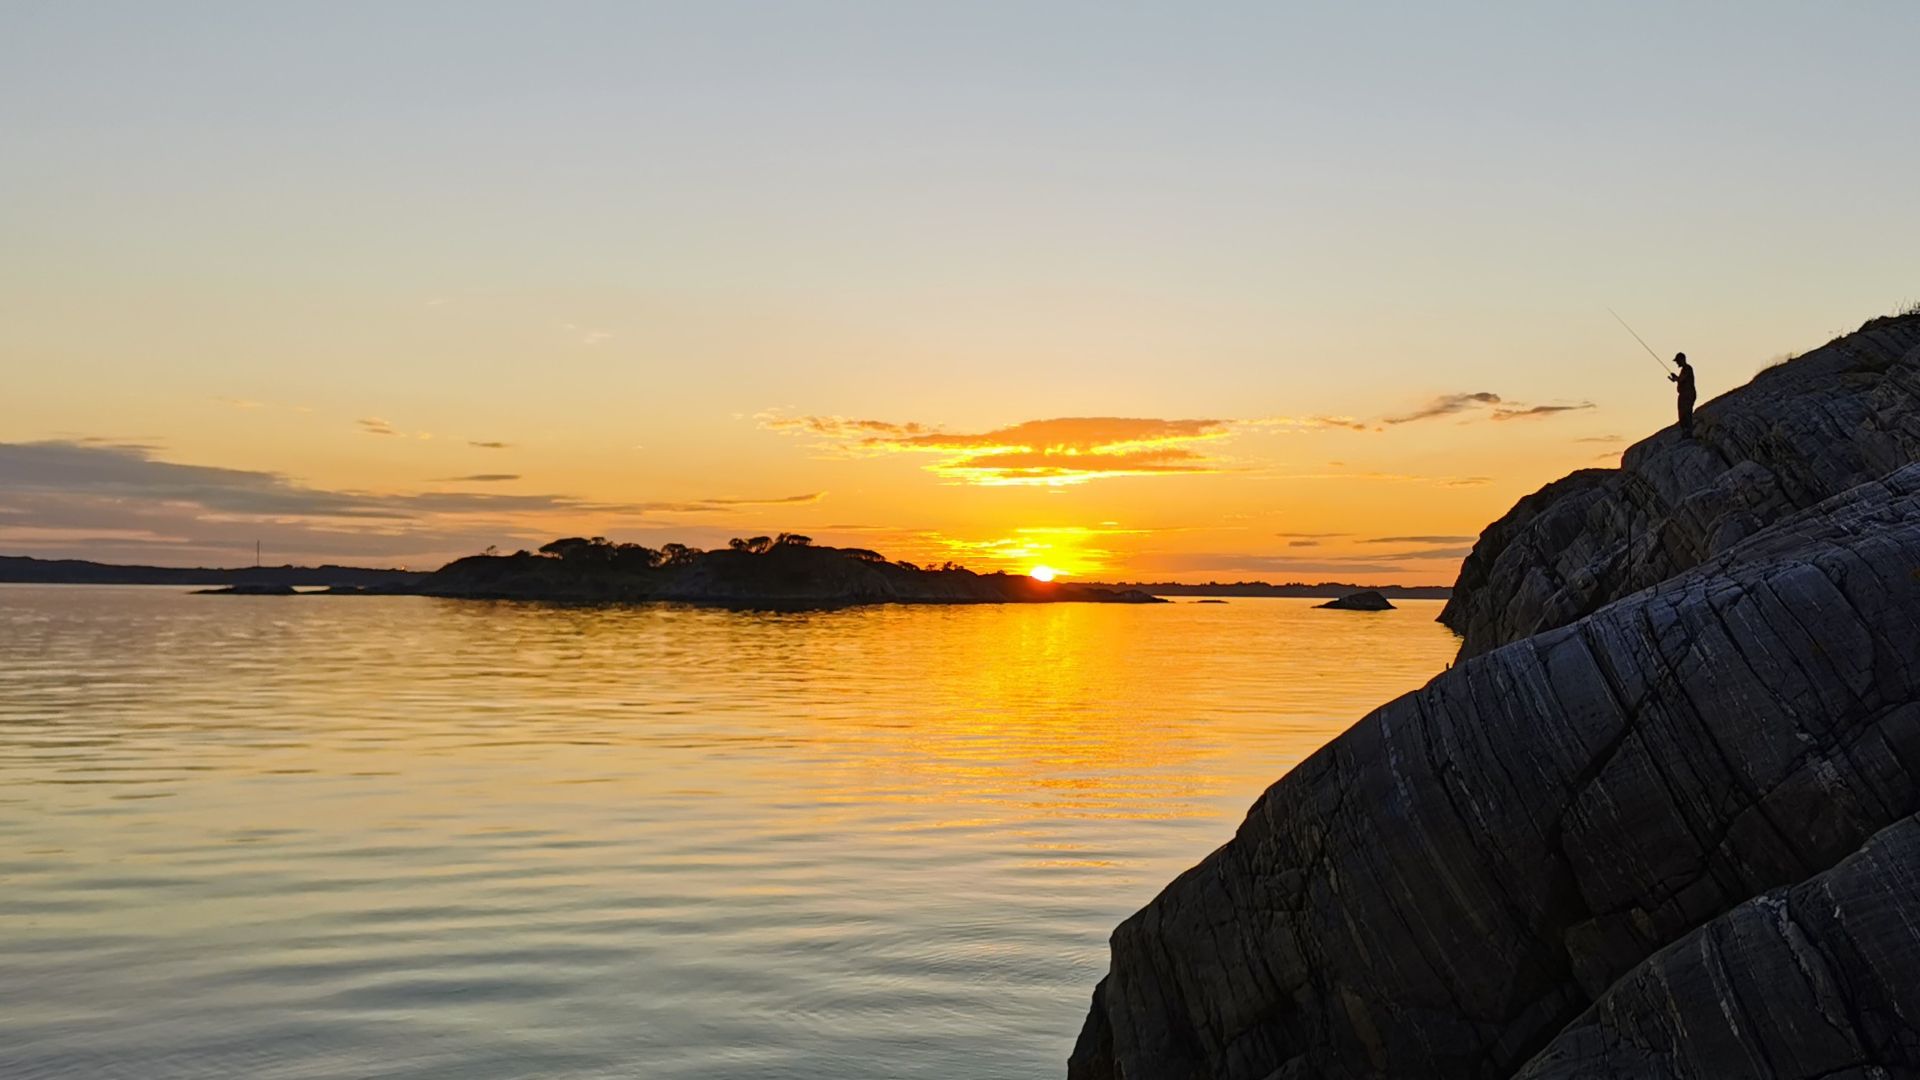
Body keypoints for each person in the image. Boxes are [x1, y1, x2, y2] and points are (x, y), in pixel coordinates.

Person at [1668, 352, 1696, 437]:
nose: (1677, 363)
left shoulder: (1687, 368)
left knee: (1686, 413)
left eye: (1678, 361)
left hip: (1687, 394)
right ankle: (1686, 432)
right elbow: (1680, 379)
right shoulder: (1684, 369)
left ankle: (1688, 432)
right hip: (1684, 395)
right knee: (1682, 414)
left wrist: (1676, 378)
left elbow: (1681, 379)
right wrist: (1675, 378)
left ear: (1682, 359)